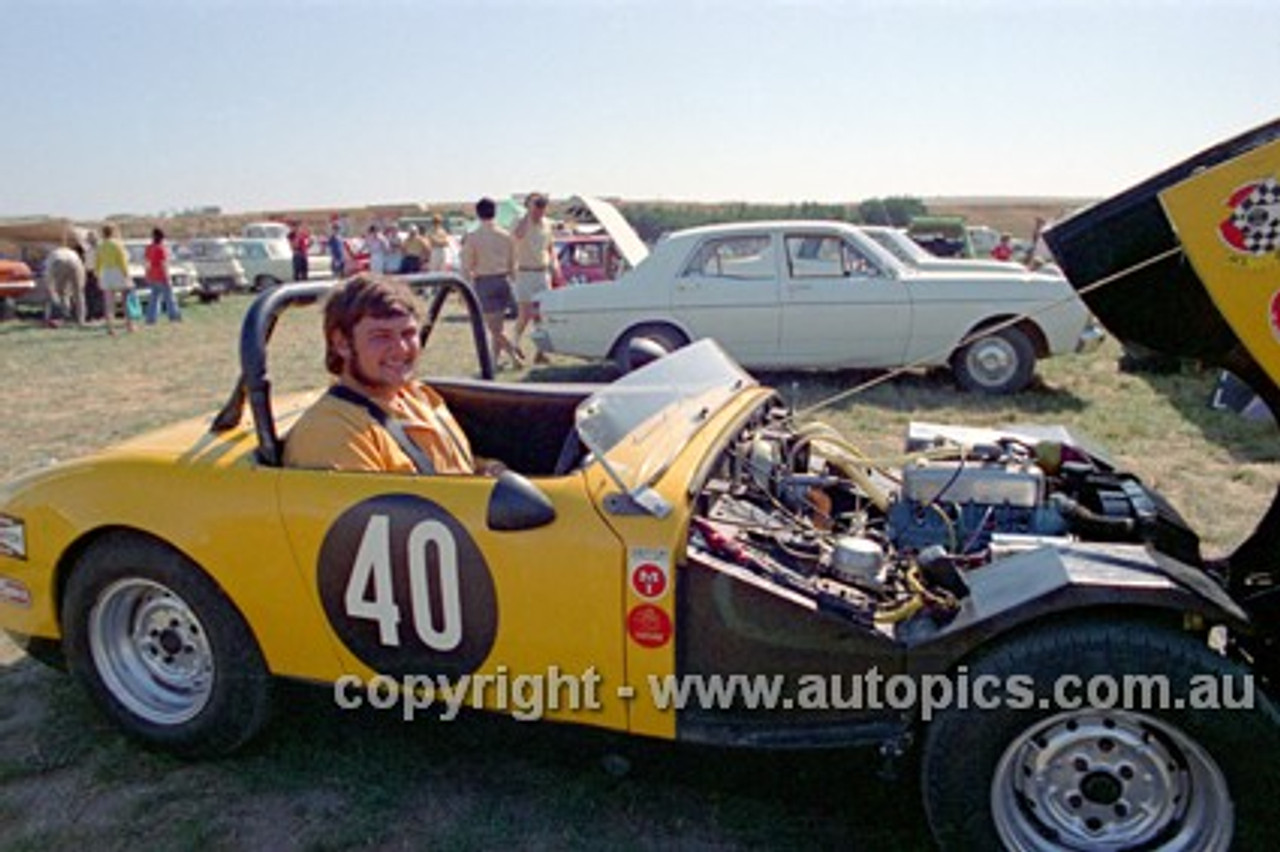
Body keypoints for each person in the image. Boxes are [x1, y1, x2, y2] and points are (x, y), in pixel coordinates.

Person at [283, 275, 495, 475]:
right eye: (381, 336)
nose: (401, 348)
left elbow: (454, 469)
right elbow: (363, 511)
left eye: (408, 333)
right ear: (342, 344)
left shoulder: (417, 395)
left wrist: (489, 470)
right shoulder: (331, 433)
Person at [462, 197, 522, 369]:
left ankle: (514, 355)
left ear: (478, 214)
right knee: (499, 325)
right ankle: (495, 361)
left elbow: (467, 265)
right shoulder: (505, 235)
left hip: (484, 281)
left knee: (494, 329)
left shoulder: (473, 237)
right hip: (503, 280)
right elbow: (513, 263)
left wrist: (466, 285)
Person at [511, 192, 560, 363]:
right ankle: (514, 344)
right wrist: (527, 213)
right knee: (524, 314)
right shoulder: (520, 220)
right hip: (525, 272)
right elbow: (517, 235)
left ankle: (541, 351)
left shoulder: (547, 224)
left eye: (542, 206)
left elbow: (550, 246)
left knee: (542, 314)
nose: (540, 210)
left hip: (542, 272)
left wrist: (555, 265)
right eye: (536, 205)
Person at [95, 224, 134, 335]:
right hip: (117, 271)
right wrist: (127, 275)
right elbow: (122, 261)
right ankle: (129, 326)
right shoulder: (117, 244)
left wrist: (98, 275)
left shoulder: (101, 246)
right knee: (124, 301)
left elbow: (97, 262)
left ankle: (110, 328)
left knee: (108, 303)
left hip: (106, 273)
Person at [42, 243, 86, 327]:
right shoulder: (73, 253)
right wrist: (81, 285)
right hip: (75, 262)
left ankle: (63, 316)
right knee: (79, 293)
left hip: (59, 262)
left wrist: (50, 290)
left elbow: (48, 277)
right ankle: (81, 320)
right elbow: (82, 272)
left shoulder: (50, 258)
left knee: (61, 292)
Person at [144, 227, 181, 324]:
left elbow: (147, 263)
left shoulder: (149, 248)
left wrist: (147, 274)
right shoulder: (161, 248)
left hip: (152, 276)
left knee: (154, 298)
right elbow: (163, 264)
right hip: (161, 276)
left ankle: (151, 318)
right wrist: (168, 277)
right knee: (169, 298)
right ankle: (174, 316)